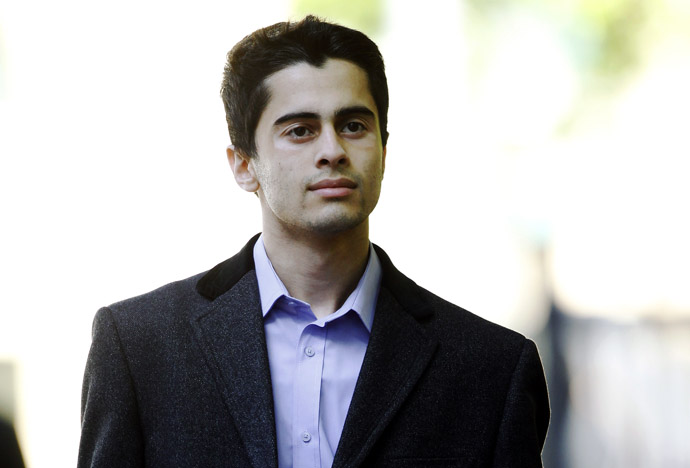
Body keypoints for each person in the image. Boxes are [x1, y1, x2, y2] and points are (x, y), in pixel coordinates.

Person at [78, 16, 549, 468]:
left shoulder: (490, 369)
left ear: (384, 151)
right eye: (300, 130)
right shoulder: (139, 347)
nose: (333, 151)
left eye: (353, 126)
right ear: (243, 164)